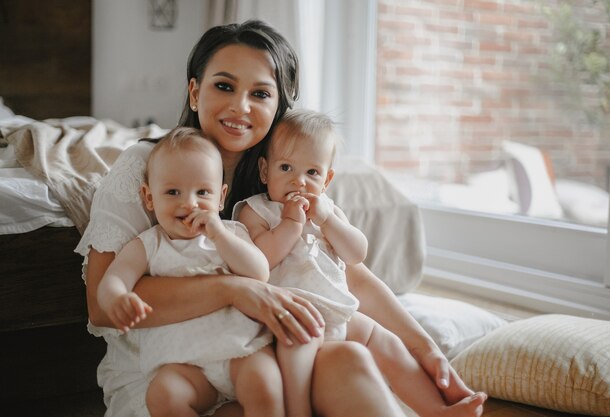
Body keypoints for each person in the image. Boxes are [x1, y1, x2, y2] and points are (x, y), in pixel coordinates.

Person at [76, 19, 476, 417]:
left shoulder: (280, 176)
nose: (241, 107)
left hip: (259, 356)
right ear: (195, 92)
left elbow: (341, 272)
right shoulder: (147, 168)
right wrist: (235, 289)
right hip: (173, 369)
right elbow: (100, 303)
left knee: (349, 357)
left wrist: (424, 347)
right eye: (224, 86)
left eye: (261, 93)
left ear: (278, 106)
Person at [235, 109, 487, 417]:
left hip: (339, 313)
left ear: (327, 179)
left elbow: (357, 253)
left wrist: (328, 220)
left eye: (312, 173)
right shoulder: (256, 211)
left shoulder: (327, 212)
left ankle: (435, 409)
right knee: (296, 356)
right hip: (293, 317)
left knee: (389, 344)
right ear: (265, 171)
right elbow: (261, 261)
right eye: (286, 167)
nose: (298, 181)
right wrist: (289, 224)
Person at [97, 128, 286, 417]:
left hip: (241, 352)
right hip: (182, 363)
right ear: (149, 197)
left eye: (203, 192)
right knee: (163, 395)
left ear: (221, 197)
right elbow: (113, 278)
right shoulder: (149, 244)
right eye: (173, 192)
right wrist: (117, 298)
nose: (190, 203)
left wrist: (219, 234)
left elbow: (259, 272)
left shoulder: (232, 234)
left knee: (267, 384)